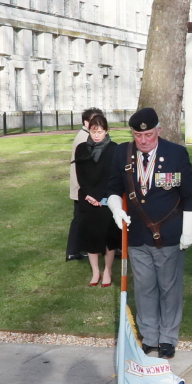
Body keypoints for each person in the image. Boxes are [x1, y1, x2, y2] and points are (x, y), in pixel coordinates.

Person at [105, 107, 192, 358]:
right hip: (136, 234)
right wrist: (116, 209)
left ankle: (168, 337)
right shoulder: (122, 153)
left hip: (169, 234)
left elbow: (190, 195)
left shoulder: (176, 153)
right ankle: (150, 337)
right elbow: (113, 187)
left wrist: (188, 231)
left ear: (159, 130)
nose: (143, 141)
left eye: (148, 136)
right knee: (145, 287)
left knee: (169, 288)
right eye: (138, 136)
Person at [70, 110, 120, 286]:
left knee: (109, 237)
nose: (96, 135)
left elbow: (112, 175)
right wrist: (90, 195)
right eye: (93, 131)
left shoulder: (114, 149)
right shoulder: (81, 148)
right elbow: (80, 174)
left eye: (100, 131)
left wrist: (100, 196)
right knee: (90, 237)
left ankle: (107, 270)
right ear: (89, 130)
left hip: (106, 198)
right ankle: (95, 272)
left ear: (106, 131)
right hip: (87, 198)